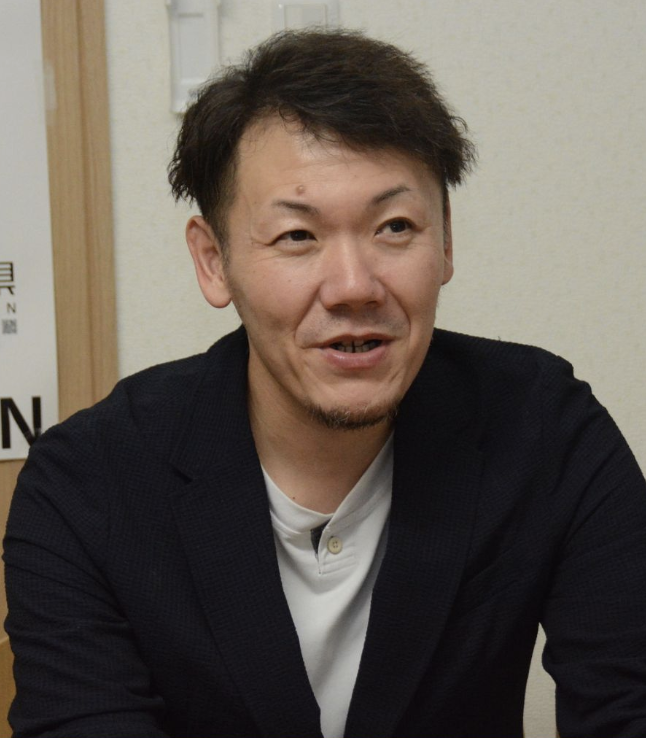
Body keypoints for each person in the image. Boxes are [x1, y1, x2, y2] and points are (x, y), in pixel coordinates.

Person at [4, 28, 646, 738]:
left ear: (445, 240)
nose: (353, 286)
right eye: (298, 237)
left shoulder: (543, 428)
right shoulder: (88, 486)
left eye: (394, 226)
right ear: (213, 261)